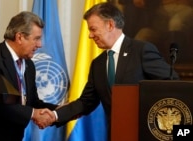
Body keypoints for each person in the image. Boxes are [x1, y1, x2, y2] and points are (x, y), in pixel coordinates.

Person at [36, 2, 180, 140]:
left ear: (110, 25)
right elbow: (86, 102)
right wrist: (54, 116)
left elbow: (170, 84)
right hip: (116, 134)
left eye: (93, 29)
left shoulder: (141, 51)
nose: (90, 35)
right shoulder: (97, 64)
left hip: (146, 132)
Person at [0, 11, 57, 141]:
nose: (40, 45)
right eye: (36, 38)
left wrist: (59, 110)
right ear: (20, 37)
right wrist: (33, 114)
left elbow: (32, 102)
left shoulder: (29, 65)